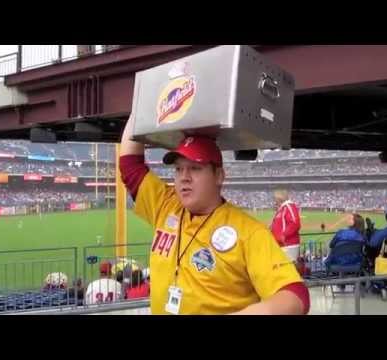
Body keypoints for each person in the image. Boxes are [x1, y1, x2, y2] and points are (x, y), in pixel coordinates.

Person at [119, 116, 309, 315]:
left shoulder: (249, 232)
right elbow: (130, 165)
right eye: (178, 169)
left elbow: (295, 295)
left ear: (219, 176)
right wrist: (139, 105)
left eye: (195, 168)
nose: (184, 177)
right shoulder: (166, 205)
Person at [270, 189, 302, 263]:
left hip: (288, 245)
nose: (274, 201)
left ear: (279, 198)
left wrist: (283, 236)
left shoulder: (288, 206)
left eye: (275, 199)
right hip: (282, 245)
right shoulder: (282, 208)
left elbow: (295, 223)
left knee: (287, 270)